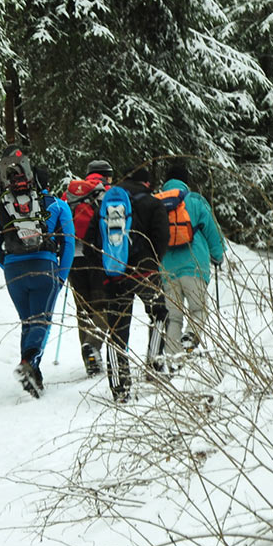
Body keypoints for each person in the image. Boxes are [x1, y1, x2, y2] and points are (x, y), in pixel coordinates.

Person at [0, 157, 75, 397]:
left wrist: (7, 264)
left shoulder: (8, 206)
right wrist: (61, 276)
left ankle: (34, 373)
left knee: (28, 321)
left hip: (14, 273)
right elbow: (68, 244)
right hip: (44, 268)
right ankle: (28, 363)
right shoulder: (57, 205)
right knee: (41, 321)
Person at [97, 164, 170, 401]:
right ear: (147, 183)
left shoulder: (108, 202)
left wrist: (107, 268)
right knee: (159, 313)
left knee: (117, 330)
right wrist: (153, 263)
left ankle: (120, 388)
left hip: (114, 273)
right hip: (144, 273)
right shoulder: (153, 202)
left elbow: (94, 236)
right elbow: (162, 238)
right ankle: (155, 364)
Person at [157, 161, 226, 363]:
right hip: (194, 266)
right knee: (198, 309)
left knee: (174, 316)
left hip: (167, 269)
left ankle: (174, 360)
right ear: (185, 181)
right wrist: (218, 255)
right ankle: (191, 337)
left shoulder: (157, 203)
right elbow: (213, 232)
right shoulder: (195, 200)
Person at [63, 160, 113, 376]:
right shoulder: (108, 193)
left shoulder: (70, 194)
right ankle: (92, 345)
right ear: (106, 176)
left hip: (72, 257)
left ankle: (89, 358)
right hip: (98, 256)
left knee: (83, 307)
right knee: (103, 304)